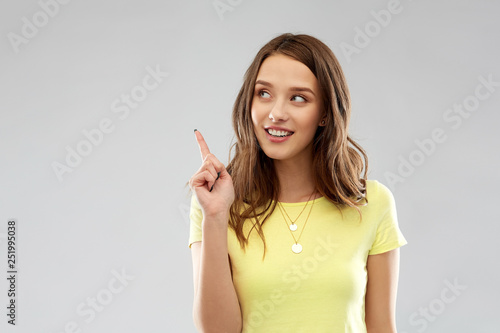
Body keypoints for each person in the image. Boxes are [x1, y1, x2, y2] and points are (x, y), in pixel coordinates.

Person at [188, 33, 407, 333]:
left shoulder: (372, 202)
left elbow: (381, 327)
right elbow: (217, 331)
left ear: (325, 114)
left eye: (298, 98)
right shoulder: (216, 203)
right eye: (263, 93)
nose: (276, 113)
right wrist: (214, 216)